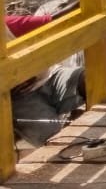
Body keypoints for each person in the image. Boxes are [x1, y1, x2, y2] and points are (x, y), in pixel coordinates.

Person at [5, 15, 85, 147]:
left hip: (48, 77)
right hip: (17, 100)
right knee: (54, 139)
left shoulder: (9, 24)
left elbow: (55, 20)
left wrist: (87, 6)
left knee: (88, 79)